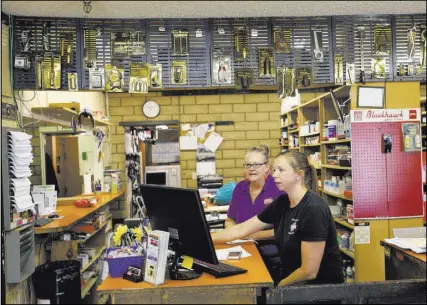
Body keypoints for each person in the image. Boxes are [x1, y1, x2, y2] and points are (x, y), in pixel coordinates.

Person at [213, 150, 344, 286]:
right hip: (293, 283)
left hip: (319, 291)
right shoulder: (282, 203)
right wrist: (207, 240)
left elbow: (309, 271)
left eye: (281, 170)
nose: (274, 175)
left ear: (298, 175)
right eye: (275, 170)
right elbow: (242, 229)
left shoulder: (314, 209)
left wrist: (278, 287)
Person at [225, 145, 284, 283]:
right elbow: (229, 220)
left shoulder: (278, 188)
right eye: (248, 165)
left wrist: (247, 235)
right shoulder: (240, 187)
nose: (252, 168)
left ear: (267, 168)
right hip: (242, 250)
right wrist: (234, 234)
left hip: (272, 255)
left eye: (257, 164)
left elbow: (283, 229)